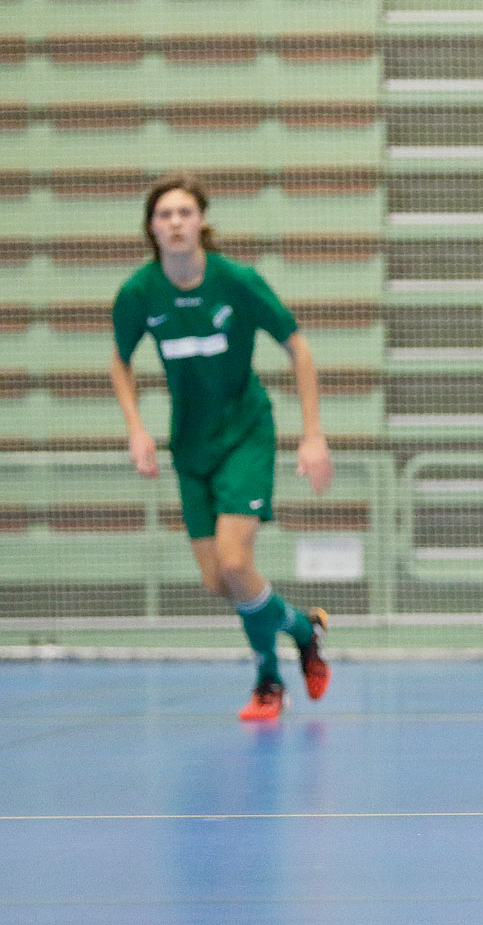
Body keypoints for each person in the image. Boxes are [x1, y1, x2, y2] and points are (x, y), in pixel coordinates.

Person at [109, 175, 333, 722]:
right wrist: (136, 428)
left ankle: (267, 681)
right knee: (218, 580)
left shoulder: (237, 282)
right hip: (190, 446)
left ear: (201, 222)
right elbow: (120, 361)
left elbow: (298, 349)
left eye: (185, 212)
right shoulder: (139, 293)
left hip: (245, 435)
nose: (176, 222)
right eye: (164, 214)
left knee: (236, 563)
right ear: (152, 228)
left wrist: (312, 433)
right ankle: (303, 629)